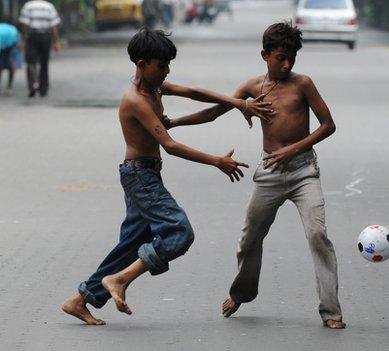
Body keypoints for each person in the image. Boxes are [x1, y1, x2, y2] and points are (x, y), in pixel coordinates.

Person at [60, 28, 272, 325]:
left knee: (131, 245)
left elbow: (195, 93)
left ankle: (80, 299)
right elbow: (169, 146)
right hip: (140, 177)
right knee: (180, 232)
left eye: (168, 65)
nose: (166, 71)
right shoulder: (136, 99)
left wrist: (239, 103)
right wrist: (216, 161)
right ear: (142, 63)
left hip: (144, 174)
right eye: (161, 66)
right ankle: (119, 280)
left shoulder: (154, 88)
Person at [167, 22, 346, 329]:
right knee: (249, 238)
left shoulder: (303, 84)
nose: (287, 63)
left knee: (318, 235)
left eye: (292, 57)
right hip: (269, 174)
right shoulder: (252, 87)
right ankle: (242, 293)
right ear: (265, 55)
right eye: (280, 57)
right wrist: (174, 123)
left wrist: (293, 150)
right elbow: (213, 111)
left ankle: (331, 311)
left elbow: (328, 125)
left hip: (304, 171)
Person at [18, 0, 61, 97]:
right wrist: (56, 42)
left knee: (30, 61)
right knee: (44, 63)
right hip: (46, 36)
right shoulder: (49, 6)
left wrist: (23, 40)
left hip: (33, 36)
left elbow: (25, 24)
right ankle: (43, 89)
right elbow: (54, 26)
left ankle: (33, 84)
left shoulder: (28, 6)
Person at [0, 18, 22, 96]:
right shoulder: (13, 28)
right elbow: (18, 44)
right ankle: (9, 87)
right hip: (11, 44)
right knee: (11, 66)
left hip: (4, 45)